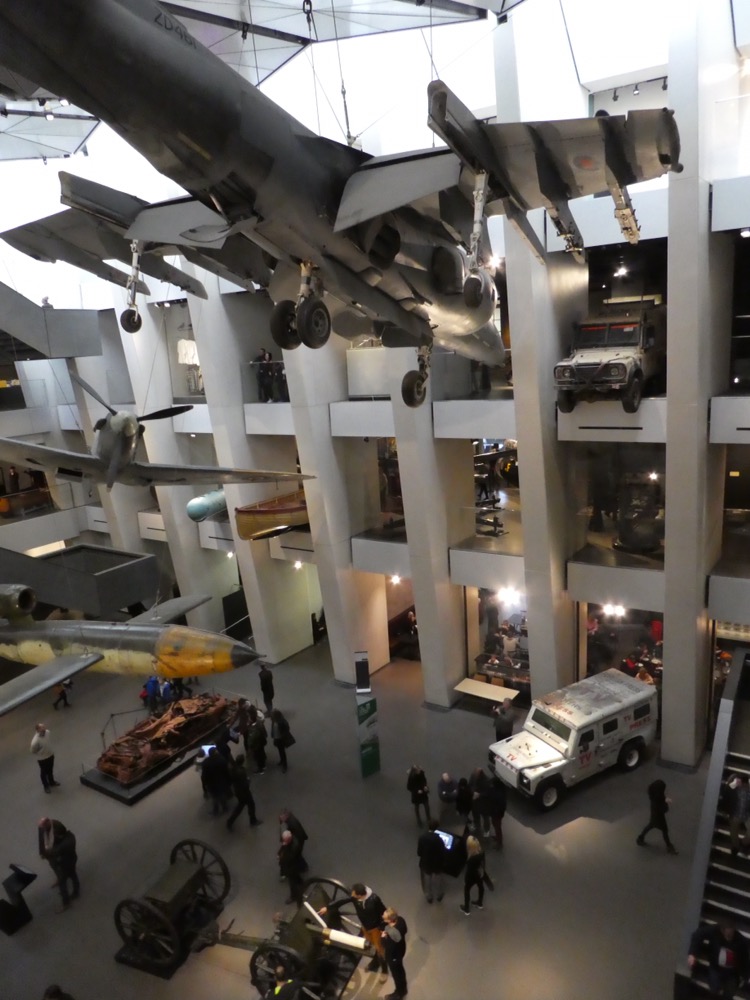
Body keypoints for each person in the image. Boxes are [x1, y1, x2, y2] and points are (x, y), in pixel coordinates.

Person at [319, 883, 388, 979]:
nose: (352, 896)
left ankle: (384, 970)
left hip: (375, 928)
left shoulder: (374, 899)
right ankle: (375, 962)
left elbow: (384, 912)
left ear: (360, 895)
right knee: (372, 945)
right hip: (365, 927)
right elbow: (342, 900)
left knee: (379, 949)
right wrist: (328, 907)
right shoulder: (355, 897)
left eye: (354, 894)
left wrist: (383, 927)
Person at [688, 918, 750, 998]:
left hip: (731, 972)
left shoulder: (741, 941)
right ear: (722, 931)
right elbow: (698, 934)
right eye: (728, 935)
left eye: (732, 934)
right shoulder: (714, 931)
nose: (730, 937)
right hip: (716, 967)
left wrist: (745, 976)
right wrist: (692, 954)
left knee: (730, 991)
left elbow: (745, 959)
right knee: (714, 988)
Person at [38, 817, 79, 911]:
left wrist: (47, 854)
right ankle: (71, 889)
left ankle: (67, 902)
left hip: (66, 861)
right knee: (59, 871)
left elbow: (57, 851)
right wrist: (44, 852)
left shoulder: (65, 843)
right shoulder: (47, 829)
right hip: (57, 860)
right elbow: (43, 840)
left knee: (67, 879)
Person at [636, 778, 677, 854]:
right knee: (664, 830)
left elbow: (661, 798)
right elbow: (664, 809)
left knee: (650, 826)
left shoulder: (653, 795)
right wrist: (666, 802)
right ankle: (669, 846)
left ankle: (640, 838)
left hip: (654, 815)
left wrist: (665, 799)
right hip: (659, 817)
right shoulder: (659, 799)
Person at [226, 755, 262, 829]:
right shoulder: (241, 771)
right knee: (250, 804)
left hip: (238, 791)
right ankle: (253, 820)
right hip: (244, 792)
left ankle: (230, 821)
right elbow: (245, 783)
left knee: (240, 806)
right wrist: (248, 781)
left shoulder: (234, 769)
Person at [381, 907, 408, 1000]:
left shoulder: (390, 932)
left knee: (396, 975)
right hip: (401, 950)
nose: (382, 917)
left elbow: (387, 946)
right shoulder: (400, 920)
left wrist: (383, 938)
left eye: (384, 917)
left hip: (393, 956)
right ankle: (403, 989)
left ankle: (399, 993)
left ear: (390, 920)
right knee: (401, 970)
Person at [417, 819, 446, 903]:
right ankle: (439, 895)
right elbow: (442, 852)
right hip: (437, 864)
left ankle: (429, 896)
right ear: (437, 828)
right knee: (438, 879)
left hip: (426, 863)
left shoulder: (422, 838)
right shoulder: (439, 840)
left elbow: (419, 852)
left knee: (427, 879)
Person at [278, 829, 307, 907]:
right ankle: (302, 883)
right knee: (296, 877)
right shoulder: (292, 841)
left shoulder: (293, 847)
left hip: (292, 867)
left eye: (285, 840)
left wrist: (281, 857)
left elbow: (289, 858)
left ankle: (294, 896)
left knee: (292, 883)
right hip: (294, 866)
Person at [201, 747, 232, 815]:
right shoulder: (221, 760)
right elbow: (226, 771)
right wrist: (229, 780)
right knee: (221, 795)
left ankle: (216, 810)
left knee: (214, 797)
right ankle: (225, 808)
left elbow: (204, 775)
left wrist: (205, 785)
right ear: (215, 752)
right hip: (221, 781)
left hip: (211, 783)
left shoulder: (205, 762)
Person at [460, 835, 487, 916]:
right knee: (481, 887)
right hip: (479, 874)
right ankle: (479, 903)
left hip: (471, 876)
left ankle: (466, 909)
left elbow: (469, 871)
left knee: (467, 890)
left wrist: (465, 880)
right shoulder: (481, 853)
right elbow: (483, 864)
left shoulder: (471, 859)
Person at [31, 723, 59, 793]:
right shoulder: (35, 741)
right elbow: (33, 750)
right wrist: (41, 752)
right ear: (38, 730)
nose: (44, 728)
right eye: (42, 728)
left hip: (50, 755)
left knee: (50, 770)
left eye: (44, 727)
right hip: (42, 759)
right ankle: (46, 786)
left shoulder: (47, 732)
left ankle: (51, 782)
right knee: (43, 773)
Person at [726, 773, 750, 856]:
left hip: (747, 815)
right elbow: (728, 788)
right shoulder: (735, 786)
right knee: (733, 832)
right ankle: (736, 846)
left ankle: (744, 842)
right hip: (735, 814)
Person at [485, 777, 507, 849]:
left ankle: (499, 842)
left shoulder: (499, 794)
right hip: (496, 813)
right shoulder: (500, 791)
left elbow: (501, 806)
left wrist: (495, 811)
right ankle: (498, 837)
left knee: (497, 827)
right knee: (495, 825)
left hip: (497, 814)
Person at [246, 704, 268, 773]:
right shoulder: (259, 722)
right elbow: (264, 732)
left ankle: (261, 768)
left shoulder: (254, 727)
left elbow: (252, 738)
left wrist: (250, 744)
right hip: (261, 742)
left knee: (258, 756)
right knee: (261, 753)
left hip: (256, 745)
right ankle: (263, 763)